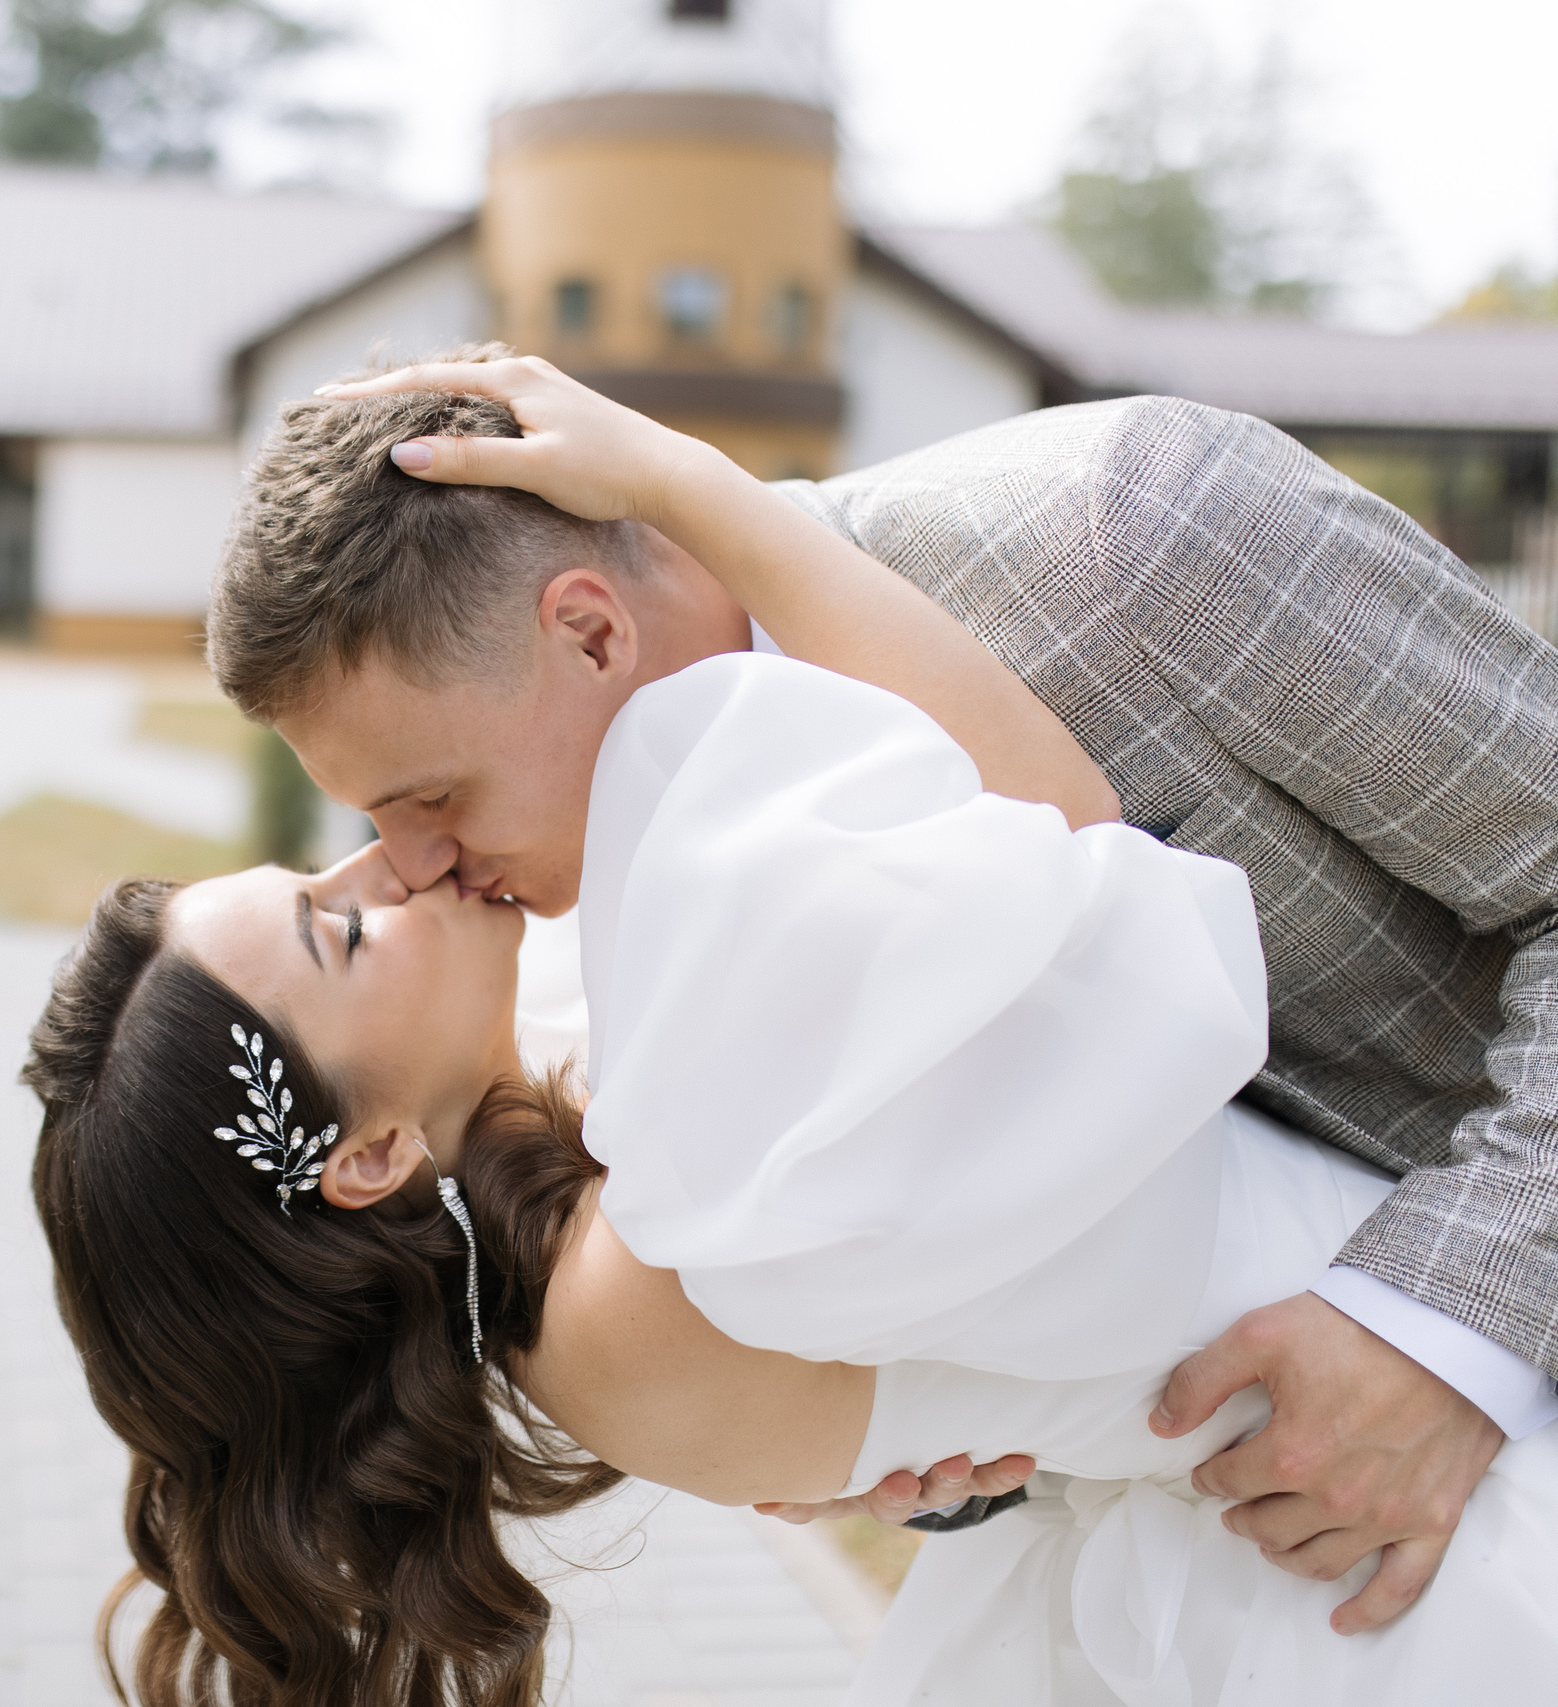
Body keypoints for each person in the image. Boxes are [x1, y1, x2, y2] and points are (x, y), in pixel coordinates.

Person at [205, 350, 1558, 1632]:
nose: (421, 868)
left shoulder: (1136, 539)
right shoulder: (597, 910)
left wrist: (1447, 1327)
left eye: (431, 799)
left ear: (591, 632)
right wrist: (945, 1441)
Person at [22, 663, 1558, 1703]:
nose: (389, 864)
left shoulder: (560, 1145)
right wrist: (711, 512)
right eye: (339, 932)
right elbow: (1067, 848)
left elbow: (968, 1367)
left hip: (1382, 1362)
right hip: (1418, 1498)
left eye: (323, 869)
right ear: (367, 1155)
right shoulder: (627, 1285)